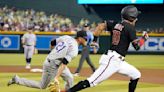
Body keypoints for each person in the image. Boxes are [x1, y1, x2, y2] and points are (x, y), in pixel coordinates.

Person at [63, 5, 149, 92]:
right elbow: (137, 46)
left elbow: (100, 26)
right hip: (112, 60)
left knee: (136, 74)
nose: (136, 18)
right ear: (132, 17)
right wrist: (144, 39)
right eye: (135, 17)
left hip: (118, 61)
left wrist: (95, 40)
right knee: (91, 81)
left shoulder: (115, 24)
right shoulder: (130, 28)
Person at [7, 31, 88, 90]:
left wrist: (53, 52)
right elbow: (64, 64)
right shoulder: (75, 50)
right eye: (85, 38)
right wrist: (56, 78)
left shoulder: (67, 37)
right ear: (80, 38)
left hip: (57, 62)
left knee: (70, 78)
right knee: (42, 86)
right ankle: (17, 80)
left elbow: (52, 42)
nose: (86, 40)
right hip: (51, 65)